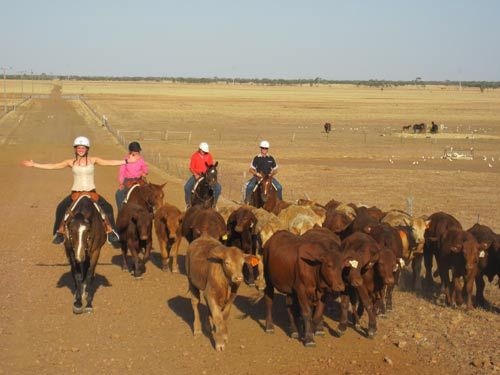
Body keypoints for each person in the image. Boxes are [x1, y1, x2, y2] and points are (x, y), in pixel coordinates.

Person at [22, 136, 127, 246]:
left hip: (91, 193)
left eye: (83, 148)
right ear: (75, 149)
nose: (81, 150)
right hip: (76, 193)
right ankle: (59, 233)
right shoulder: (70, 162)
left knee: (108, 208)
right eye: (78, 148)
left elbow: (109, 162)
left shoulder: (93, 160)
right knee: (60, 208)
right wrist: (34, 164)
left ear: (87, 149)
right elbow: (53, 166)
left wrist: (126, 161)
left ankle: (111, 233)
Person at [184, 142, 221, 208]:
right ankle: (188, 204)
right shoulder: (195, 156)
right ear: (200, 149)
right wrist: (195, 175)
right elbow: (191, 167)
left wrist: (211, 174)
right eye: (203, 151)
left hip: (207, 175)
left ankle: (214, 204)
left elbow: (210, 166)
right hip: (198, 175)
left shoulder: (209, 156)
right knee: (187, 187)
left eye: (205, 151)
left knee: (218, 188)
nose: (204, 152)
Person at [115, 141, 149, 210]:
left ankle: (150, 211)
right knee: (118, 194)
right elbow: (122, 172)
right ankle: (121, 211)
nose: (137, 153)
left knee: (150, 193)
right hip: (128, 181)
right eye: (135, 152)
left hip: (139, 179)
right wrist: (121, 183)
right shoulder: (126, 160)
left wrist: (144, 172)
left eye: (138, 152)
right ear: (130, 152)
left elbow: (145, 168)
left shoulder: (141, 159)